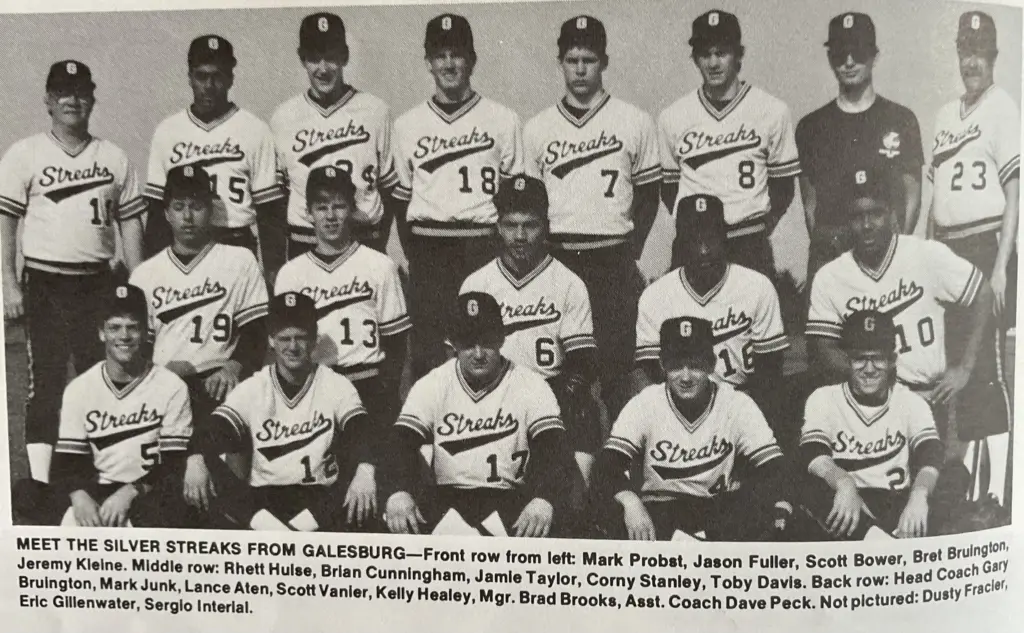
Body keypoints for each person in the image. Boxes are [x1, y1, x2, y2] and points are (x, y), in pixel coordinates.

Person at [0, 60, 146, 485]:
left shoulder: (113, 156)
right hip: (45, 281)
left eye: (81, 91)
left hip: (98, 283)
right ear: (47, 100)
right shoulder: (25, 153)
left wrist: (138, 286)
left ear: (93, 99)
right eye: (63, 92)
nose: (73, 100)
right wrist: (8, 283)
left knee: (97, 379)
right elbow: (6, 222)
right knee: (45, 383)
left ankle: (98, 475)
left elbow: (131, 225)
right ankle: (42, 483)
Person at [806, 166, 995, 470]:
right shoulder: (831, 276)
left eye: (876, 213)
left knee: (937, 496)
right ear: (847, 221)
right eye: (857, 216)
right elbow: (823, 348)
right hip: (869, 408)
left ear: (893, 214)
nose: (867, 224)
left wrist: (966, 367)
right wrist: (875, 379)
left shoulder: (925, 255)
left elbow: (983, 293)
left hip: (930, 399)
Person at [523, 15, 660, 418]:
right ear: (560, 62)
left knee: (620, 371)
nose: (580, 69)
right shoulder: (538, 128)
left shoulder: (633, 120)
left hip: (613, 258)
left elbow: (649, 195)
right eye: (571, 59)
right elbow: (531, 203)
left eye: (589, 59)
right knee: (563, 373)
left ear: (604, 61)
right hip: (560, 258)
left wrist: (628, 248)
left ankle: (621, 470)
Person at [129, 164, 268, 512]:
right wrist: (157, 375)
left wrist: (234, 365)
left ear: (211, 208)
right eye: (179, 206)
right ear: (166, 213)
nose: (188, 216)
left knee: (230, 491)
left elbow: (256, 331)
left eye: (197, 205)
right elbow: (135, 351)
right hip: (167, 388)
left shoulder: (239, 260)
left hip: (221, 382)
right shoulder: (146, 274)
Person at [392, 13, 524, 378]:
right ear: (428, 62)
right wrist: (417, 252)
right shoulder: (407, 125)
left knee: (487, 347)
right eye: (440, 55)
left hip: (481, 244)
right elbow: (401, 202)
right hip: (430, 248)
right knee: (430, 354)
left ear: (472, 59)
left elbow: (514, 199)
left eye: (457, 54)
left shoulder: (503, 119)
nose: (449, 63)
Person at [384, 292, 572, 537]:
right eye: (468, 342)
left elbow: (553, 447)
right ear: (452, 342)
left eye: (487, 340)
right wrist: (399, 491)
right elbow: (401, 442)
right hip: (446, 499)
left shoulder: (530, 384)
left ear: (502, 338)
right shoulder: (435, 382)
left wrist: (544, 498)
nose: (479, 352)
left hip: (509, 500)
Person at [925, 11, 1018, 506]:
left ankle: (998, 493)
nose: (971, 60)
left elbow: (1013, 192)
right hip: (947, 248)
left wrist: (1002, 264)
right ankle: (967, 485)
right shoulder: (944, 115)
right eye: (965, 49)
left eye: (980, 51)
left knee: (986, 370)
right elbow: (936, 194)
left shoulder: (1003, 108)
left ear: (994, 57)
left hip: (986, 245)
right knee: (954, 366)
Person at [190, 292, 378, 532]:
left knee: (362, 473)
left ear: (314, 339)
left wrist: (365, 469)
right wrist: (195, 458)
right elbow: (212, 431)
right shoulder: (254, 387)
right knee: (202, 466)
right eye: (284, 338)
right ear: (271, 340)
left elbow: (360, 430)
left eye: (300, 338)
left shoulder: (335, 384)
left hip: (321, 500)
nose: (292, 346)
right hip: (264, 503)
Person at [590, 316, 790, 541]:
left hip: (717, 510)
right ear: (663, 365)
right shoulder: (645, 402)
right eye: (676, 365)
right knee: (611, 515)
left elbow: (774, 467)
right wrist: (631, 501)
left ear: (711, 365)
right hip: (660, 511)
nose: (685, 376)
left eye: (695, 365)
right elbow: (605, 468)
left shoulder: (735, 403)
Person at [13, 284, 193, 528]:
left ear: (145, 332)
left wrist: (131, 492)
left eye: (133, 327)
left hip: (148, 491)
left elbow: (174, 462)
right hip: (99, 490)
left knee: (174, 507)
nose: (124, 336)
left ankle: (99, 531)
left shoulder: (171, 385)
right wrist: (79, 496)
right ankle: (95, 526)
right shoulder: (80, 388)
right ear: (101, 333)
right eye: (115, 327)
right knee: (26, 492)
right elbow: (67, 460)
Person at [460, 174, 599, 484]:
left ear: (545, 226)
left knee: (584, 411)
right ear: (497, 227)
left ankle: (578, 495)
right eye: (511, 225)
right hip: (492, 394)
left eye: (530, 225)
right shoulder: (477, 283)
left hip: (550, 393)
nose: (520, 236)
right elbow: (457, 359)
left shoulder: (567, 282)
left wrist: (551, 404)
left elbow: (582, 362)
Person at [275, 165, 410, 456]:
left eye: (339, 206)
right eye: (322, 207)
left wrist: (385, 392)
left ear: (351, 210)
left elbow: (396, 341)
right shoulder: (291, 274)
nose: (331, 216)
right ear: (308, 212)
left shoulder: (380, 265)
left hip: (369, 384)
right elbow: (283, 347)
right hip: (317, 386)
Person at [797, 310, 965, 539]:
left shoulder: (909, 400)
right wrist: (844, 482)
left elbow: (930, 452)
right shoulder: (825, 398)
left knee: (956, 473)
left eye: (877, 358)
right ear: (847, 359)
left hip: (896, 504)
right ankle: (890, 544)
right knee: (809, 484)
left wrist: (919, 494)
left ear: (892, 360)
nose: (868, 369)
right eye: (860, 358)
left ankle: (881, 541)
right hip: (850, 506)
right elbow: (814, 454)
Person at [658, 9, 800, 278]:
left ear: (738, 55)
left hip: (748, 239)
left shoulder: (771, 110)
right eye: (705, 54)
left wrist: (759, 224)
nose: (713, 63)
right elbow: (669, 190)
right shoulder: (673, 116)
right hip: (694, 241)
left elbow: (783, 187)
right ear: (695, 58)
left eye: (721, 53)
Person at [634, 194, 789, 437]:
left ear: (725, 239)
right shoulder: (655, 297)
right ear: (680, 244)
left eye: (711, 239)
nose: (704, 251)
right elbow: (650, 375)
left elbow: (770, 373)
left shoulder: (757, 286)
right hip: (682, 413)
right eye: (694, 241)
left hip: (745, 403)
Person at [143, 35, 285, 277]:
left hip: (235, 240)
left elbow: (269, 214)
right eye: (201, 76)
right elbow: (157, 211)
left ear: (230, 78)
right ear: (189, 77)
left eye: (217, 76)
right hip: (184, 247)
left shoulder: (255, 130)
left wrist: (273, 275)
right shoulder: (168, 131)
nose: (209, 85)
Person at [796, 12, 924, 277]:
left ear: (874, 55)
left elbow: (913, 195)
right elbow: (810, 204)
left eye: (858, 52)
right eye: (841, 54)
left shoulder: (901, 119)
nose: (850, 62)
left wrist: (896, 249)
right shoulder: (811, 126)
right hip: (833, 256)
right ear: (831, 59)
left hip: (886, 253)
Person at [271, 12, 399, 257]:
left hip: (363, 237)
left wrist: (378, 235)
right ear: (302, 59)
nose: (323, 68)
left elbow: (389, 188)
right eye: (314, 58)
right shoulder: (284, 117)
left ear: (345, 57)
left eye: (331, 58)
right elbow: (278, 197)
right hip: (305, 241)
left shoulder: (375, 111)